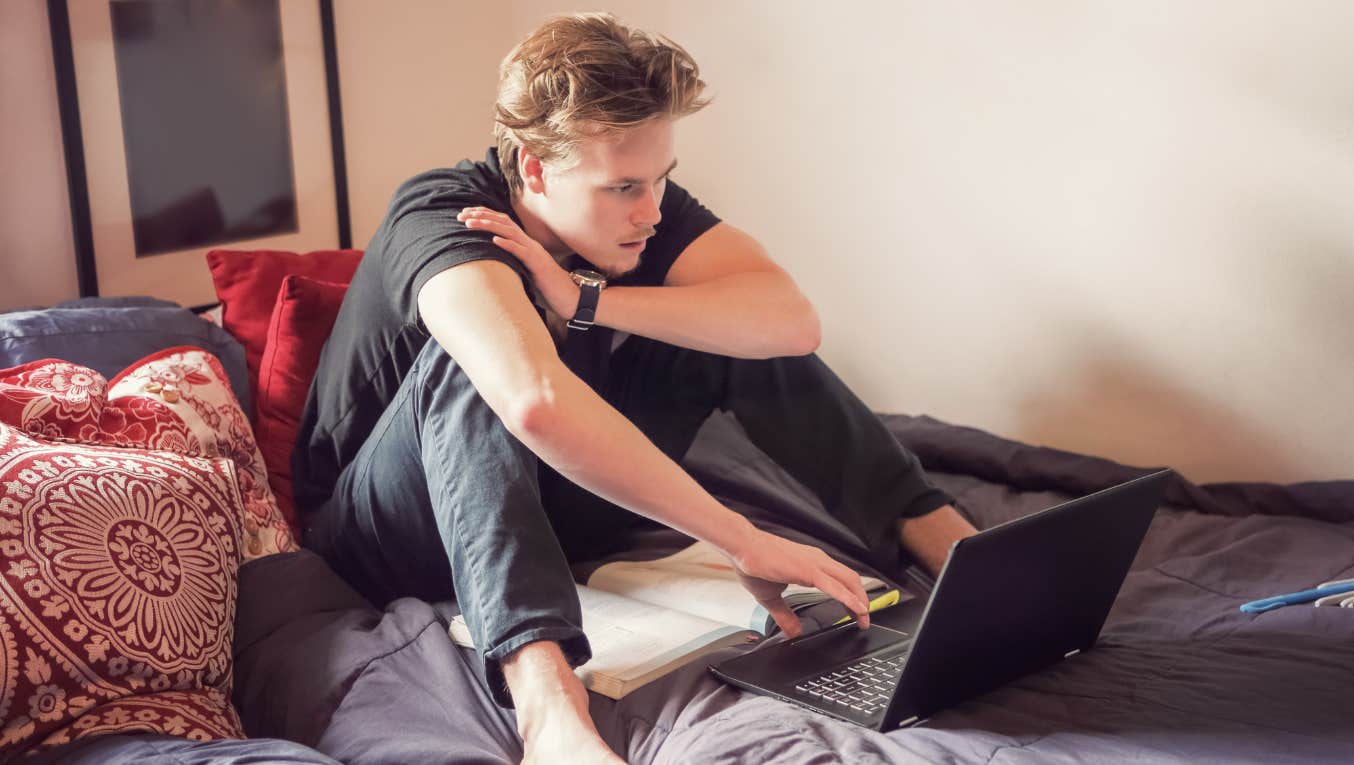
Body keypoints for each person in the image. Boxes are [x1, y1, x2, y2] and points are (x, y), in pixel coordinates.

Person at [293, 12, 977, 764]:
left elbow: (790, 324)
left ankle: (958, 549)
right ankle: (548, 707)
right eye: (623, 187)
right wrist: (738, 536)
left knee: (725, 330)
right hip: (389, 530)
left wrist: (584, 299)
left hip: (553, 503)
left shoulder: (639, 215)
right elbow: (533, 401)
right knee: (476, 366)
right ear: (533, 167)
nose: (651, 211)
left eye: (661, 180)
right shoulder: (448, 214)